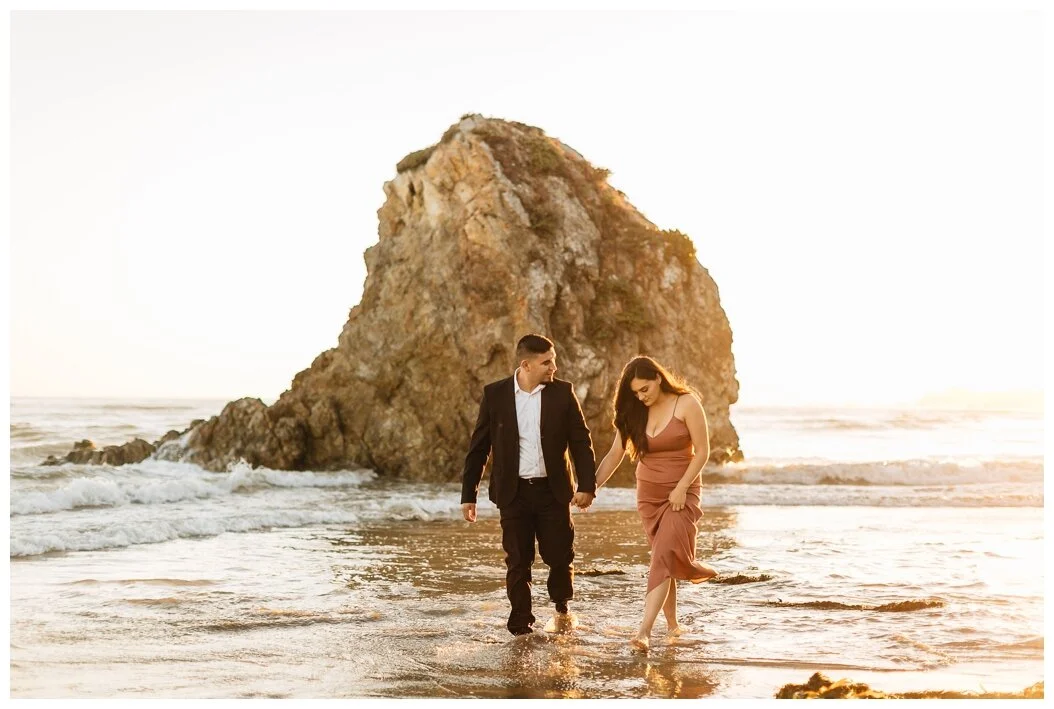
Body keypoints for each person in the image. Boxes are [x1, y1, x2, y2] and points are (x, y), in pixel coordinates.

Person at [461, 334, 598, 636]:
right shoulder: (495, 395)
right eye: (546, 362)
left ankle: (561, 607)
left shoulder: (563, 393)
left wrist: (587, 486)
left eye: (553, 360)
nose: (554, 367)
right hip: (513, 493)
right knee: (518, 561)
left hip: (553, 491)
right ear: (526, 365)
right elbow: (479, 447)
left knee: (559, 556)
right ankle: (520, 625)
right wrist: (468, 494)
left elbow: (581, 442)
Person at [594, 355, 717, 651]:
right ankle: (673, 625)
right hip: (648, 495)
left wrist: (682, 488)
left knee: (663, 556)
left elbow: (703, 451)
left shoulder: (686, 403)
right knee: (665, 559)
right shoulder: (634, 412)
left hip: (681, 494)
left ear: (658, 378)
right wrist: (590, 487)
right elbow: (615, 454)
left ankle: (644, 632)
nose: (641, 396)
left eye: (645, 389)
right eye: (636, 392)